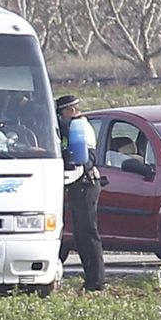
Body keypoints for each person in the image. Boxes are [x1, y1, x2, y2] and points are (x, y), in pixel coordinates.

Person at [56, 94, 104, 292]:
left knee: (87, 233)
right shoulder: (76, 127)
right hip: (80, 184)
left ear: (70, 111)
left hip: (86, 184)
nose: (60, 118)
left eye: (61, 113)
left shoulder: (79, 127)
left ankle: (96, 281)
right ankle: (91, 279)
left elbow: (85, 160)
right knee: (80, 234)